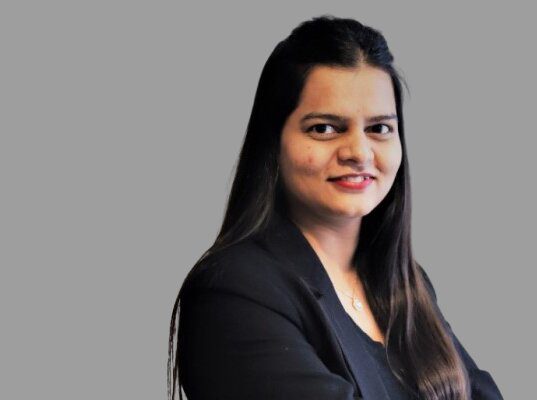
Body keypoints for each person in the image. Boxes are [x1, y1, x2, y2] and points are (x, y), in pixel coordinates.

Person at [167, 15, 504, 400]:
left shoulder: (405, 284)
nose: (359, 152)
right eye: (325, 128)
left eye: (379, 128)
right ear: (274, 143)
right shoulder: (233, 291)